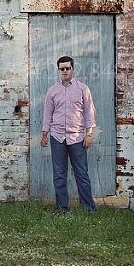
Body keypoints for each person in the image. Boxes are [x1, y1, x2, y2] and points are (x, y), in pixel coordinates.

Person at [41, 56, 97, 213]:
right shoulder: (52, 91)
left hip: (77, 137)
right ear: (58, 70)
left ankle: (88, 208)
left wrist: (89, 134)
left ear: (73, 69)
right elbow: (47, 114)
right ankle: (62, 208)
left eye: (67, 68)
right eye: (62, 69)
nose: (65, 71)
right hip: (57, 137)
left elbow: (89, 113)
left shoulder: (83, 89)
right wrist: (45, 134)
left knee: (82, 173)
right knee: (59, 174)